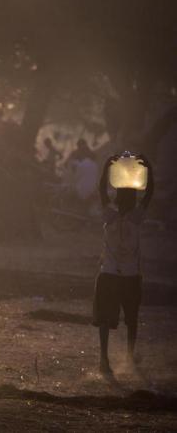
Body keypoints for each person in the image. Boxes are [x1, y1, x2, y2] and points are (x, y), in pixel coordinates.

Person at [93, 153, 154, 376]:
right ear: (133, 200)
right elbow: (149, 194)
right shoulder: (137, 217)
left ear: (117, 197)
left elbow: (101, 191)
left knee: (104, 320)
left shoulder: (109, 215)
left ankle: (104, 359)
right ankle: (129, 357)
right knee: (132, 319)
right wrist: (149, 168)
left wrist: (107, 165)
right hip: (130, 275)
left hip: (108, 273)